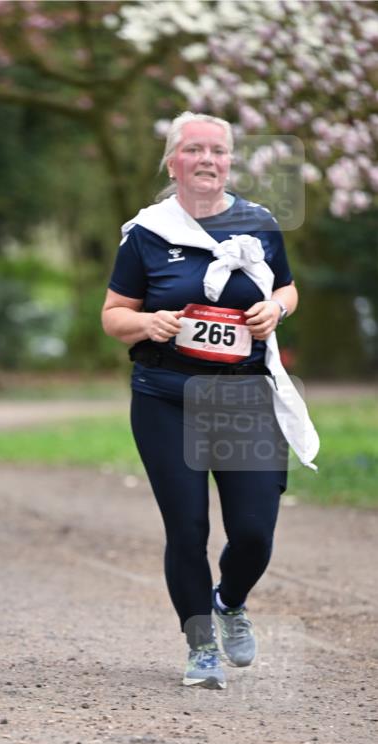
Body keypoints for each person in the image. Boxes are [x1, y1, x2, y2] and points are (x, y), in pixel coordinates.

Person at [101, 111, 318, 691]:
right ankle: (200, 645)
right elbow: (113, 316)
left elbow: (287, 285)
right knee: (188, 526)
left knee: (253, 532)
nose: (207, 160)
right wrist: (149, 322)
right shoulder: (147, 232)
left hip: (246, 395)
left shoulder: (259, 223)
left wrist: (279, 307)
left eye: (218, 151)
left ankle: (230, 601)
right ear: (173, 161)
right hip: (167, 396)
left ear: (229, 162)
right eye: (194, 149)